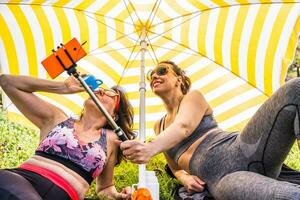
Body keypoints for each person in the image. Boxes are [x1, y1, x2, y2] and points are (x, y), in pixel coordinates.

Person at [119, 60, 300, 200]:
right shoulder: (159, 127)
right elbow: (175, 168)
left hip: (243, 150)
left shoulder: (192, 97)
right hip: (223, 180)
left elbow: (184, 127)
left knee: (294, 88)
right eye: (151, 74)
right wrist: (185, 179)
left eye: (161, 71)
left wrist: (150, 148)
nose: (154, 76)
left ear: (179, 80)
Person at [0, 74, 135, 200]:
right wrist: (63, 87)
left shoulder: (112, 139)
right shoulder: (57, 118)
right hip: (22, 180)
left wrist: (119, 196)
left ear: (114, 116)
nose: (100, 91)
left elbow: (104, 188)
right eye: (100, 89)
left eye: (111, 94)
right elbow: (7, 82)